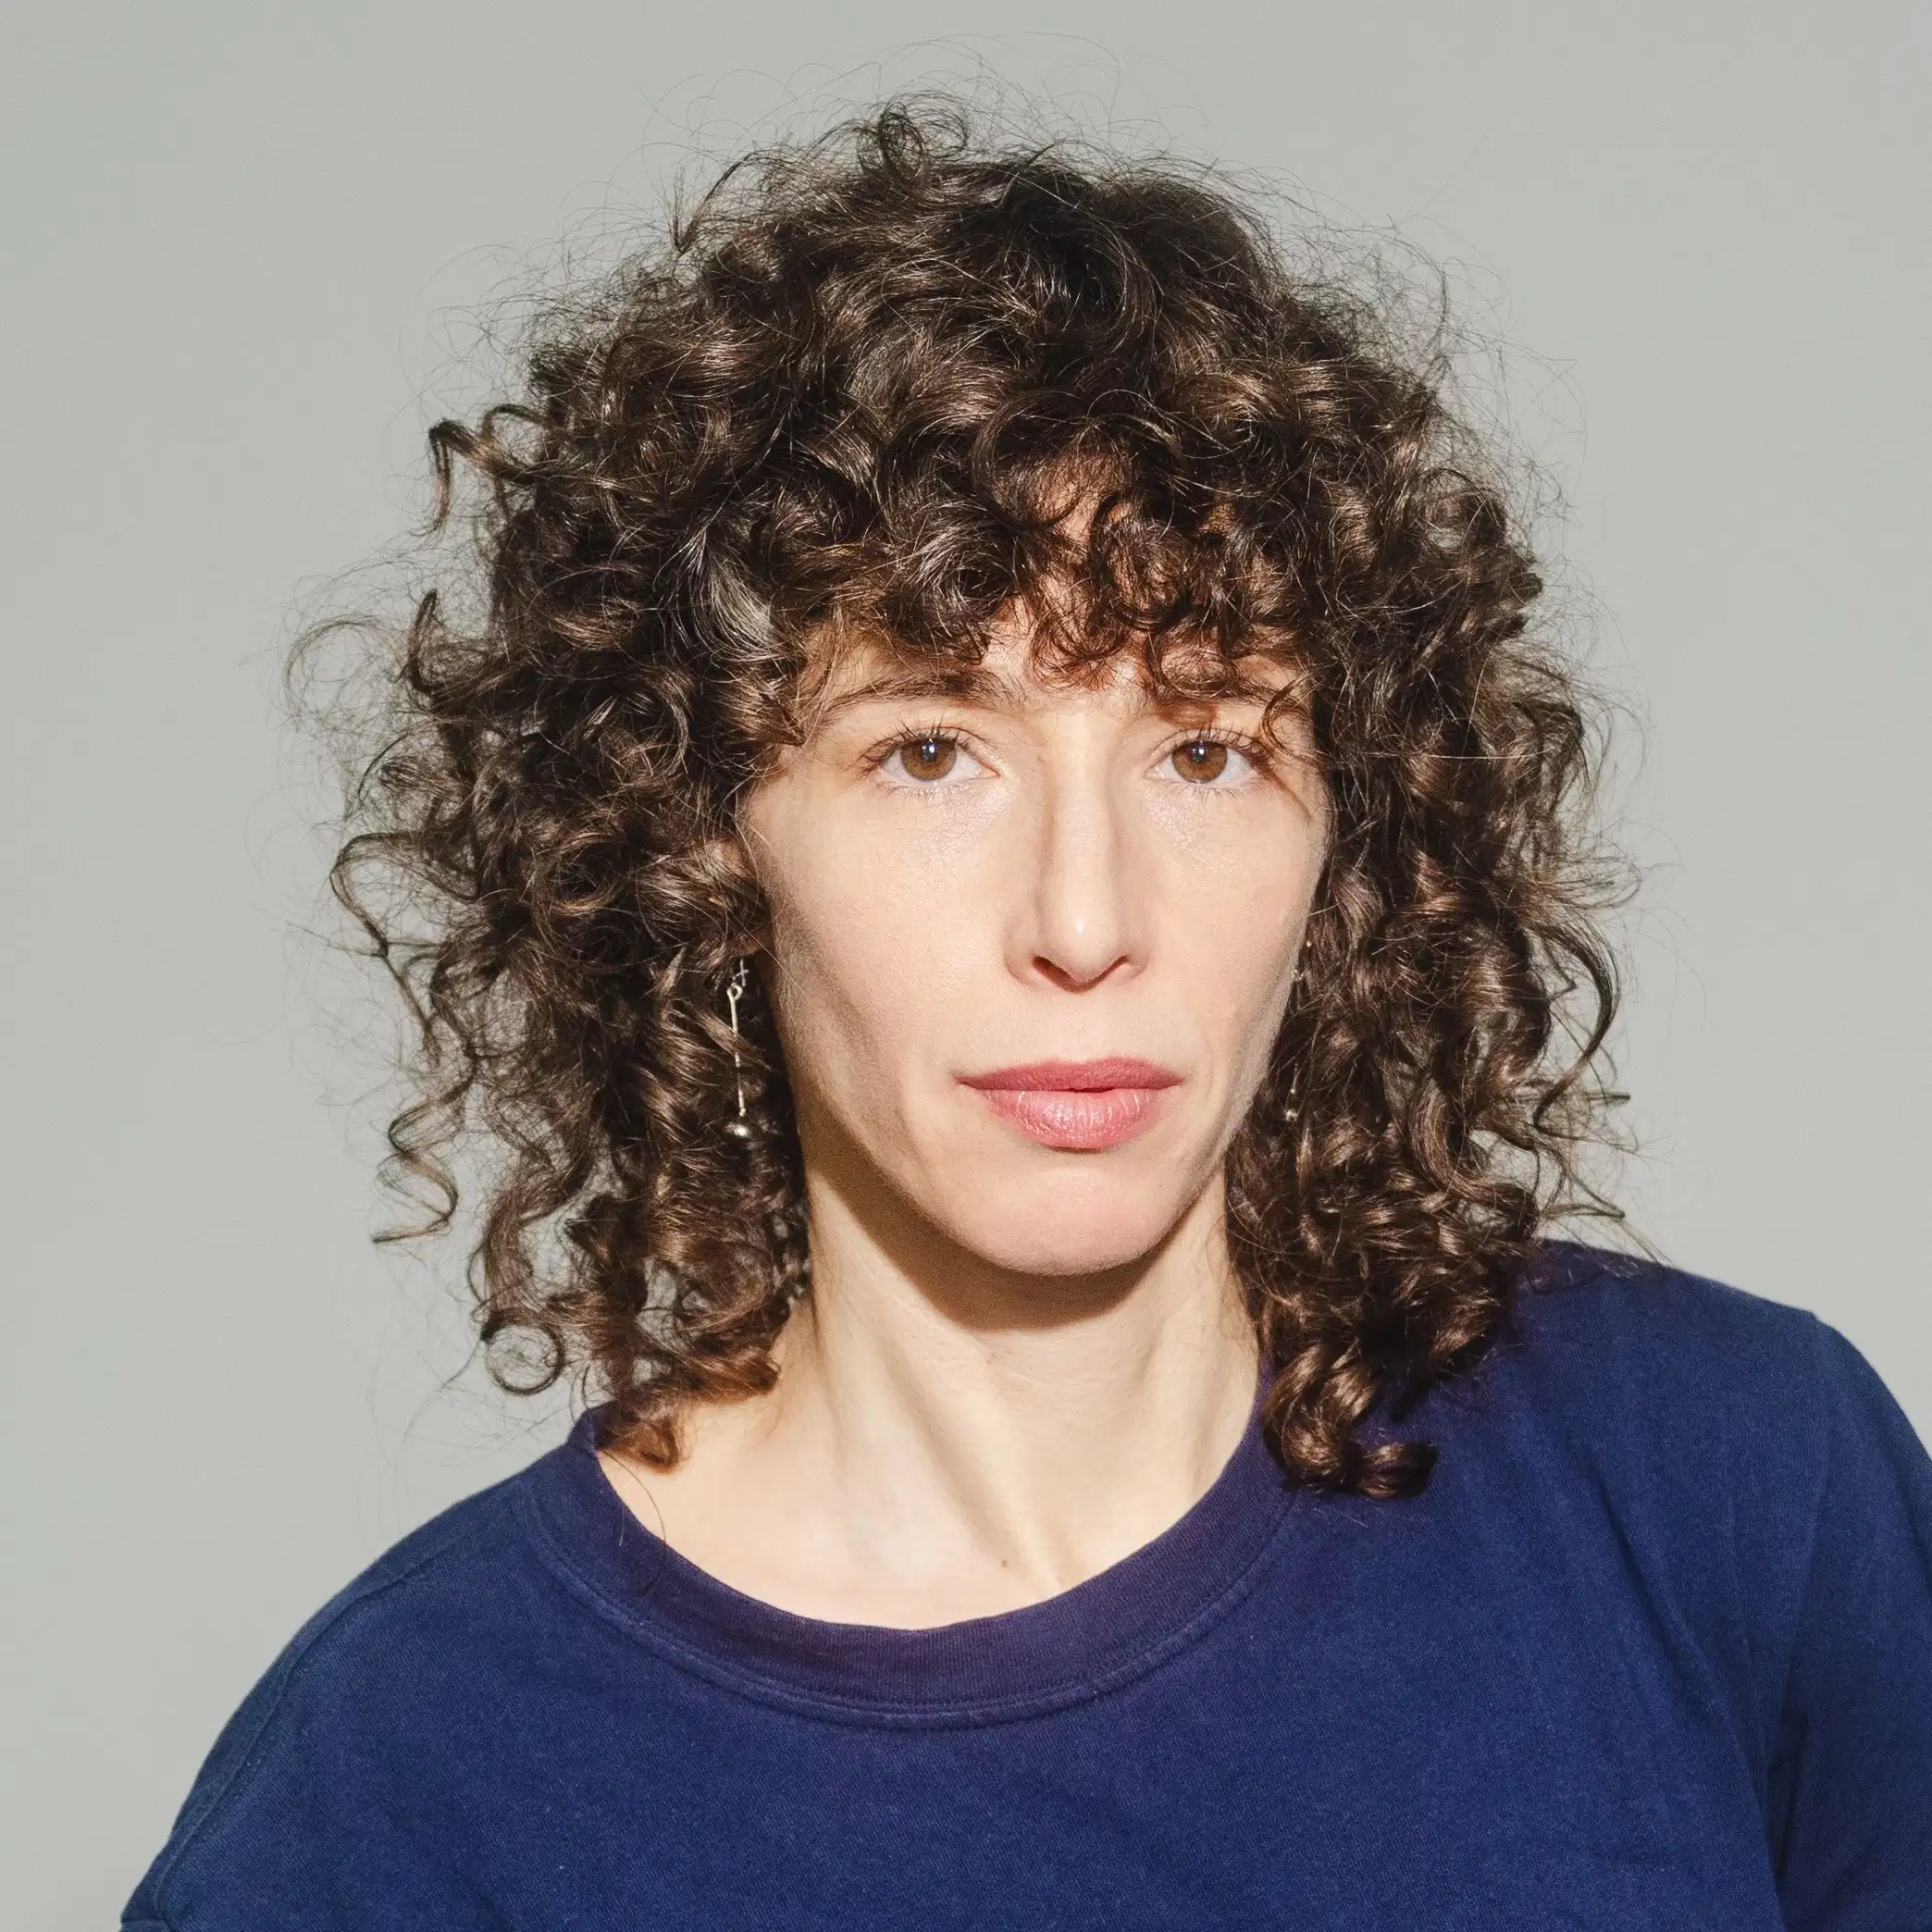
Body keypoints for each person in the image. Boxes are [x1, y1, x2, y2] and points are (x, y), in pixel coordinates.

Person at [124, 102, 1932, 1930]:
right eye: (930, 753)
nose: (1088, 919)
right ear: (698, 842)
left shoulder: (1723, 1492)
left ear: (1350, 821)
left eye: (1209, 750)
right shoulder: (401, 1804)